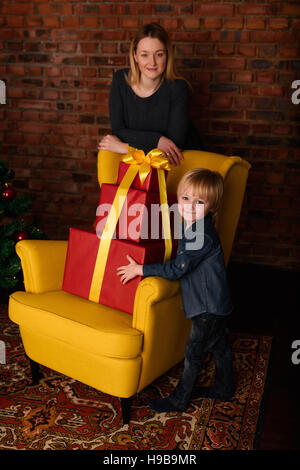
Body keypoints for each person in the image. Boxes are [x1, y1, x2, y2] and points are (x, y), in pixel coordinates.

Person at [117, 168, 234, 412]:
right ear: (178, 198)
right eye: (185, 198)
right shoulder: (192, 226)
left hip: (207, 305)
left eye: (199, 201)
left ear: (212, 207)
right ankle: (224, 386)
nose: (190, 206)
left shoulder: (201, 235)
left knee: (194, 353)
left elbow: (178, 269)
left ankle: (179, 400)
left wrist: (141, 269)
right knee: (219, 344)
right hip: (216, 301)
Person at [98, 22, 203, 167]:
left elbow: (172, 147)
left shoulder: (178, 88)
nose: (152, 62)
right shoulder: (120, 80)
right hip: (143, 165)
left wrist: (124, 148)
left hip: (181, 166)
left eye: (159, 54)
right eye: (144, 55)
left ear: (167, 55)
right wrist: (158, 140)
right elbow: (119, 130)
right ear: (135, 56)